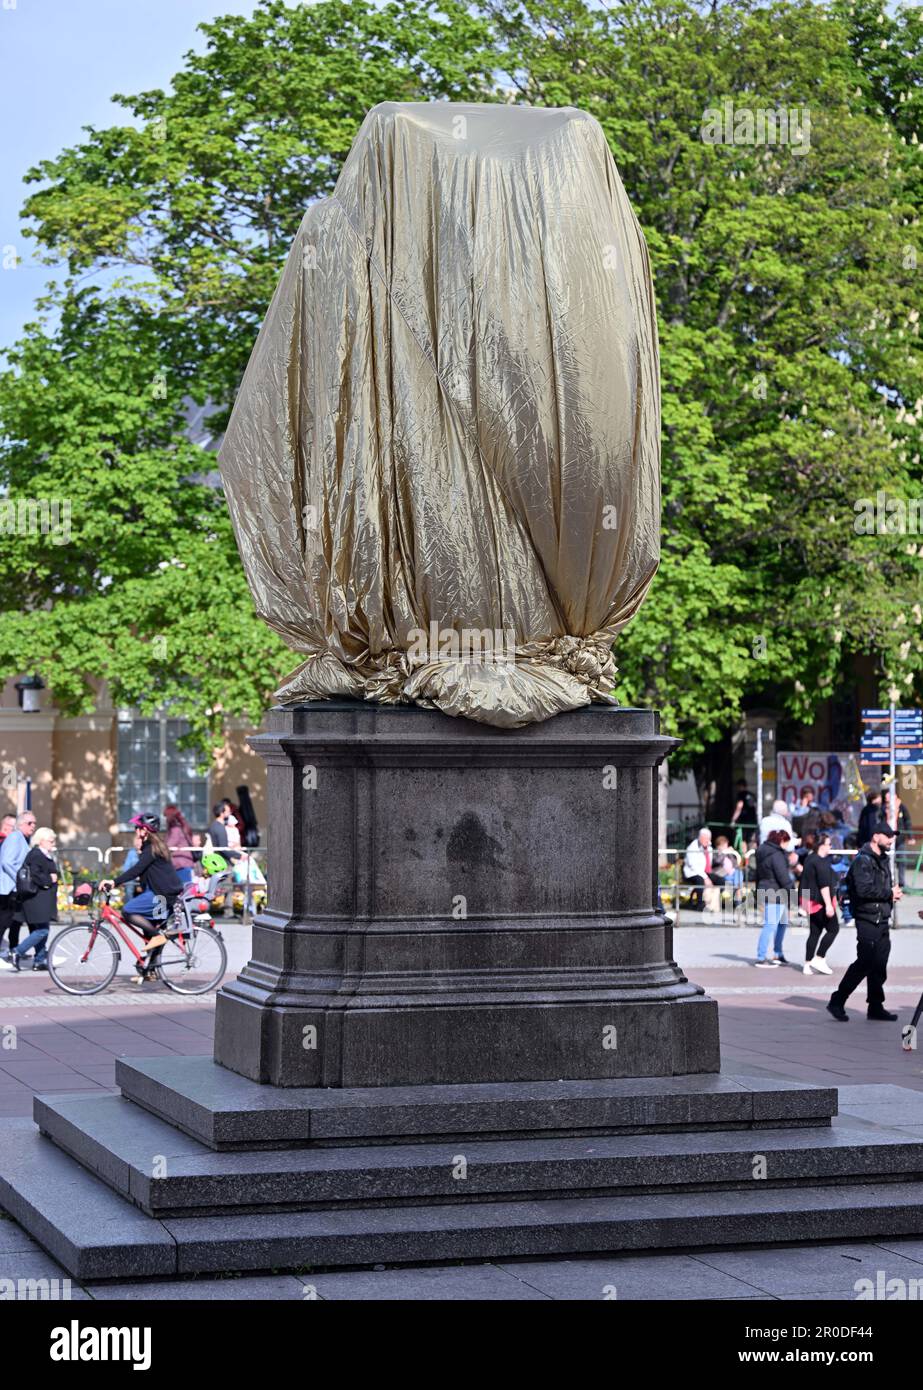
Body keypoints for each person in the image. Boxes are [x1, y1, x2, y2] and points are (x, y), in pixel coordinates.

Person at [827, 822, 902, 1022]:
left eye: (893, 836)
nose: (891, 840)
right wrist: (888, 893)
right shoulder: (863, 861)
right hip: (867, 918)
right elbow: (863, 890)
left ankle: (875, 1006)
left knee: (879, 964)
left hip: (882, 917)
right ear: (875, 836)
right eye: (888, 836)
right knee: (865, 962)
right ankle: (837, 1000)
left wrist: (891, 896)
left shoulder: (882, 859)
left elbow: (880, 887)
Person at [99, 813, 183, 984]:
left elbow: (136, 870)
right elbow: (146, 873)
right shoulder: (154, 846)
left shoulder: (151, 848)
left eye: (137, 828)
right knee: (150, 930)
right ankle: (149, 971)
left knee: (128, 911)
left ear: (145, 830)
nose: (135, 831)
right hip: (163, 894)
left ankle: (157, 937)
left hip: (161, 896)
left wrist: (113, 882)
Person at [0, 826, 58, 972]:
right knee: (42, 931)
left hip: (42, 899)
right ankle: (17, 952)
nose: (53, 842)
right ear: (41, 841)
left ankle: (39, 961)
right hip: (36, 899)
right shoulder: (36, 854)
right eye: (50, 840)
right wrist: (49, 879)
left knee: (41, 928)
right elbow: (36, 875)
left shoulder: (44, 854)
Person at [800, 832, 840, 976]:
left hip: (808, 902)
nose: (830, 846)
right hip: (819, 902)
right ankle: (819, 957)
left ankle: (807, 964)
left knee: (815, 932)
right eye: (829, 844)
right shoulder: (821, 862)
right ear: (822, 845)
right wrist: (829, 905)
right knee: (833, 929)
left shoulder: (810, 858)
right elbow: (824, 886)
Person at [754, 828, 794, 967]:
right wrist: (793, 893)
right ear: (781, 840)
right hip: (776, 892)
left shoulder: (762, 851)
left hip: (767, 889)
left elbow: (757, 874)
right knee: (770, 925)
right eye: (787, 842)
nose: (787, 845)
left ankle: (778, 953)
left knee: (781, 924)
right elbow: (783, 877)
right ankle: (761, 956)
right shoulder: (776, 855)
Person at [0, 809, 36, 960]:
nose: (33, 826)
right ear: (21, 824)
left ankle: (14, 951)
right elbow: (7, 861)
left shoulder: (21, 838)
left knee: (15, 921)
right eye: (30, 823)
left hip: (13, 888)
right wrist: (20, 877)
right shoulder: (15, 837)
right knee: (3, 922)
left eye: (34, 823)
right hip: (7, 889)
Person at [682, 827, 725, 911]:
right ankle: (700, 904)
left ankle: (712, 901)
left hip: (704, 872)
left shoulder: (709, 848)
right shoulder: (692, 847)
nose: (707, 841)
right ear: (700, 838)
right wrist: (706, 878)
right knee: (700, 880)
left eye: (708, 839)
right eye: (705, 839)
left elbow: (712, 862)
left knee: (721, 881)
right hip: (691, 873)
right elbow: (693, 866)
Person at [164, 804, 196, 884]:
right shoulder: (182, 827)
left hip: (181, 866)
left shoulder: (176, 830)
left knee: (183, 892)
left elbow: (168, 846)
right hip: (185, 865)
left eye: (165, 817)